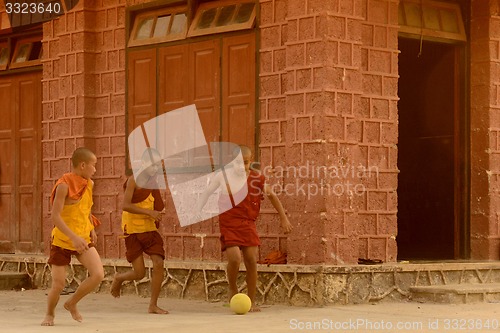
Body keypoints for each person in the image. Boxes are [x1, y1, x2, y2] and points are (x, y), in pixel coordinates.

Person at [195, 145, 293, 312]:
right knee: (234, 258)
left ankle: (251, 300)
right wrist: (198, 210)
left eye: (245, 163)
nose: (241, 167)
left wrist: (283, 218)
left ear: (251, 161)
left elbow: (272, 196)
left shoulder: (256, 179)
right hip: (229, 222)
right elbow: (206, 192)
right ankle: (232, 287)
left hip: (248, 223)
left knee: (251, 260)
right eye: (237, 163)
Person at [41, 147, 104, 326]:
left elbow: (86, 207)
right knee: (59, 284)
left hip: (83, 237)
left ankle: (72, 303)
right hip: (62, 239)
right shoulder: (63, 185)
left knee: (98, 274)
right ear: (82, 165)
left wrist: (91, 227)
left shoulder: (89, 183)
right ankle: (49, 314)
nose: (95, 169)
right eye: (93, 165)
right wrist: (73, 237)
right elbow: (55, 216)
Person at [110, 148, 168, 314]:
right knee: (139, 273)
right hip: (133, 230)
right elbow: (125, 205)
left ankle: (153, 305)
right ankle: (119, 278)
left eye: (158, 165)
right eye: (153, 165)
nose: (156, 168)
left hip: (149, 229)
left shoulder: (153, 182)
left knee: (158, 262)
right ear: (143, 164)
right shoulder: (133, 181)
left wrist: (157, 213)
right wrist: (150, 212)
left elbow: (156, 204)